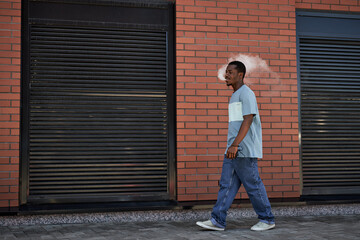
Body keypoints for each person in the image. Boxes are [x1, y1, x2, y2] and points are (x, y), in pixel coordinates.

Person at [196, 61, 275, 231]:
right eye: (226, 72)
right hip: (233, 149)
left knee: (253, 185)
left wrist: (235, 145)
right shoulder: (235, 95)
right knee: (227, 185)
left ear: (240, 75)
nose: (227, 75)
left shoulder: (246, 94)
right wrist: (231, 147)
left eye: (230, 72)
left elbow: (248, 120)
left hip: (243, 150)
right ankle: (217, 220)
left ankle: (267, 219)